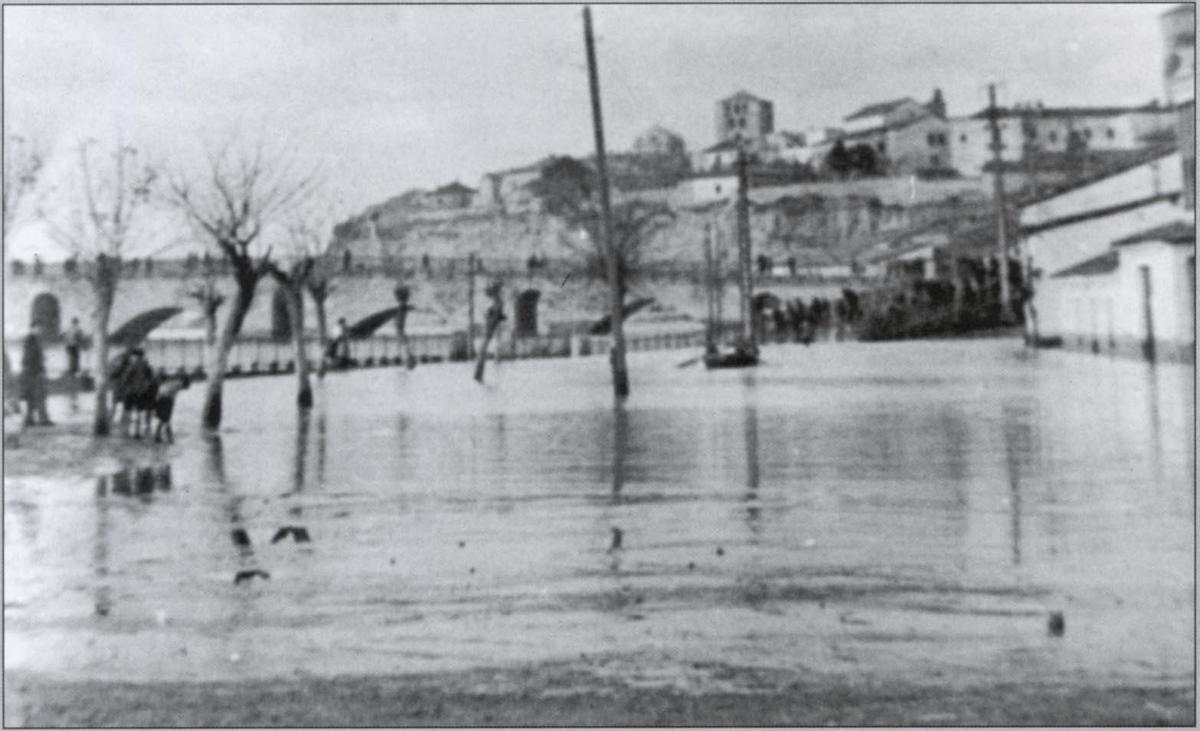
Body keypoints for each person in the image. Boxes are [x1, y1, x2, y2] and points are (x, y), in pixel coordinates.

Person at [19, 325, 52, 427]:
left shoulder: (33, 340)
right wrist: (39, 368)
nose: (39, 330)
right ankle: (42, 419)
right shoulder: (30, 341)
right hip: (34, 372)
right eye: (37, 328)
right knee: (39, 396)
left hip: (32, 372)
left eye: (40, 328)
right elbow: (29, 358)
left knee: (32, 397)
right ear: (32, 329)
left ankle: (30, 419)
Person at [153, 374, 191, 444]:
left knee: (163, 419)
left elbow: (164, 391)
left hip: (161, 399)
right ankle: (169, 437)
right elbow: (171, 394)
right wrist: (171, 402)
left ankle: (158, 436)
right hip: (166, 400)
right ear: (184, 381)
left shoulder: (173, 382)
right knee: (166, 419)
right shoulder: (178, 384)